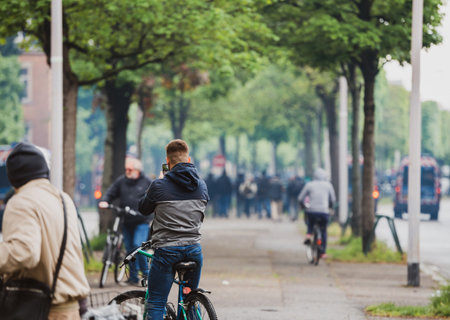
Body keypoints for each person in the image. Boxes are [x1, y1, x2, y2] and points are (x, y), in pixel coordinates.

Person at [0, 142, 90, 319]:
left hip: (43, 308)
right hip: (71, 307)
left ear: (12, 176)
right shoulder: (63, 199)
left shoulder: (22, 201)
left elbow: (24, 252)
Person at [139, 139, 208, 320]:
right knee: (189, 300)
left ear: (167, 163)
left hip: (167, 250)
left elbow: (143, 208)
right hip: (194, 249)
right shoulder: (201, 185)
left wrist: (160, 182)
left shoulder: (159, 186)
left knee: (156, 301)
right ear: (189, 160)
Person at [98, 157, 153, 285]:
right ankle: (133, 278)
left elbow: (153, 199)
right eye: (126, 169)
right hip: (126, 221)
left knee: (137, 246)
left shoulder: (147, 183)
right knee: (129, 249)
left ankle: (147, 276)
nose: (127, 171)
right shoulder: (121, 181)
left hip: (141, 221)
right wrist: (105, 201)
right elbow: (111, 192)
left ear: (137, 170)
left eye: (130, 169)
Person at [297, 168, 336, 258]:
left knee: (310, 223)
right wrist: (330, 207)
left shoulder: (309, 185)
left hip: (312, 211)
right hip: (324, 212)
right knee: (323, 230)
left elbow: (300, 198)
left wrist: (303, 206)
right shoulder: (328, 185)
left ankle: (308, 235)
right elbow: (333, 199)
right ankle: (323, 252)